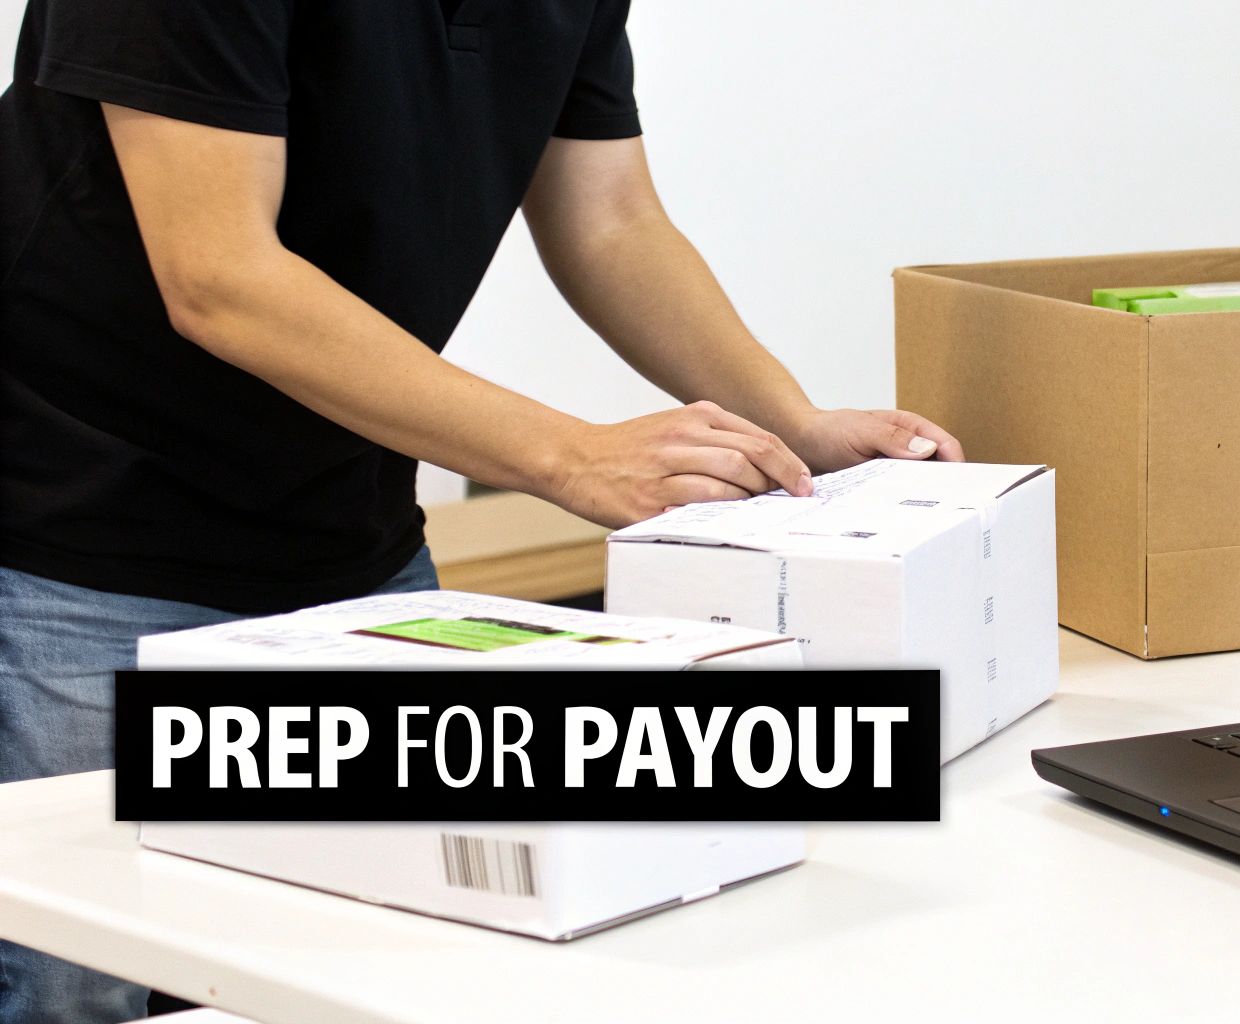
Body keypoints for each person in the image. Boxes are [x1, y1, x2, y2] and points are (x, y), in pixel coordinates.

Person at [0, 1, 963, 1019]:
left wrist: (794, 424)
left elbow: (611, 221)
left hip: (351, 545)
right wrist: (571, 456)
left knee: (379, 962)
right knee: (75, 986)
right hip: (84, 540)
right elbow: (219, 275)